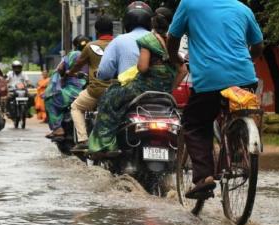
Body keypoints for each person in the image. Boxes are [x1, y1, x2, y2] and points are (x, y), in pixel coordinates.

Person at [166, 0, 264, 199]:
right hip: (245, 78)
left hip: (210, 80)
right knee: (235, 113)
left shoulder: (189, 4)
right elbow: (258, 44)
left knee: (194, 124)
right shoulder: (243, 8)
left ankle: (204, 178)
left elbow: (172, 38)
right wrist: (246, 63)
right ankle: (237, 149)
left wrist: (176, 59)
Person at [88, 7, 188, 155]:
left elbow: (142, 67)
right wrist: (169, 88)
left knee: (108, 99)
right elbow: (183, 70)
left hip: (141, 88)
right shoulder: (171, 42)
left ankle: (104, 144)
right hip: (164, 92)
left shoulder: (147, 41)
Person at [66, 15, 115, 152]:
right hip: (117, 90)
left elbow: (78, 64)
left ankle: (83, 140)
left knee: (75, 107)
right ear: (112, 31)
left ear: (97, 32)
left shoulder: (91, 46)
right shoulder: (119, 43)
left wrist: (70, 73)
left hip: (96, 91)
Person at [44, 35, 90, 139]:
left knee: (50, 100)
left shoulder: (73, 54)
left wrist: (64, 76)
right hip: (93, 89)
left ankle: (57, 129)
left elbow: (60, 69)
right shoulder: (96, 53)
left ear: (75, 46)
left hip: (74, 90)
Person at [97, 1, 152, 81]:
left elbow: (104, 72)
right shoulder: (159, 38)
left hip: (128, 91)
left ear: (127, 21)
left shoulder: (118, 40)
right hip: (161, 90)